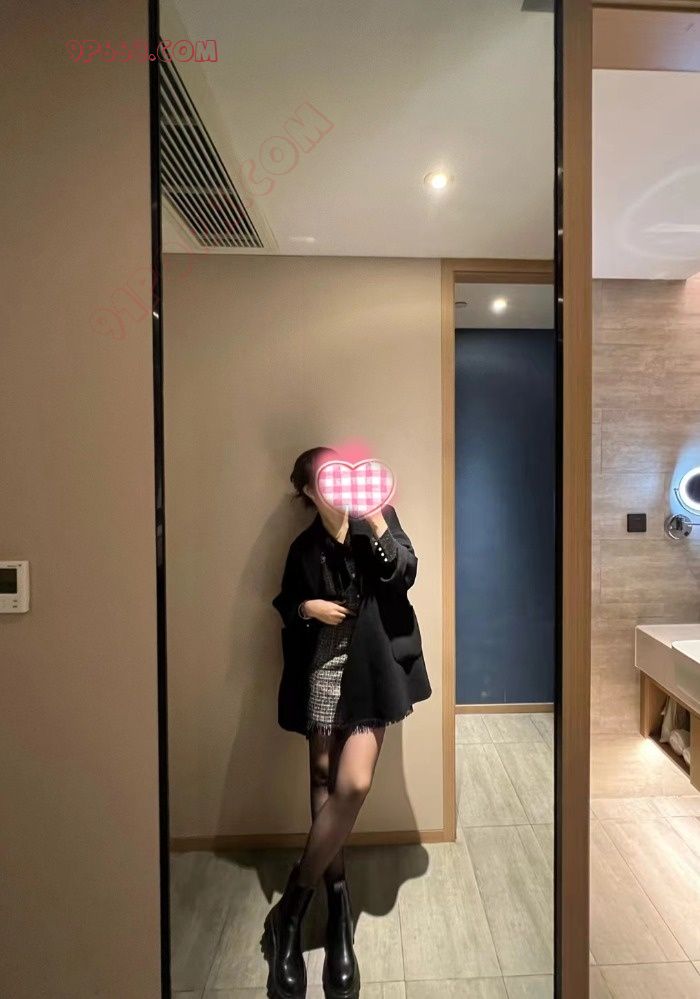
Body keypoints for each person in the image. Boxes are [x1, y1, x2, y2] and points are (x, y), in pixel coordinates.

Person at [264, 447, 431, 999]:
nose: (335, 491)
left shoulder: (378, 521)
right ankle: (338, 909)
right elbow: (285, 603)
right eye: (323, 484)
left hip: (371, 673)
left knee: (352, 784)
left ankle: (292, 907)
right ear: (309, 492)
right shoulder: (305, 545)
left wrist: (377, 518)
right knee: (321, 779)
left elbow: (404, 573)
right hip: (322, 668)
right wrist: (307, 608)